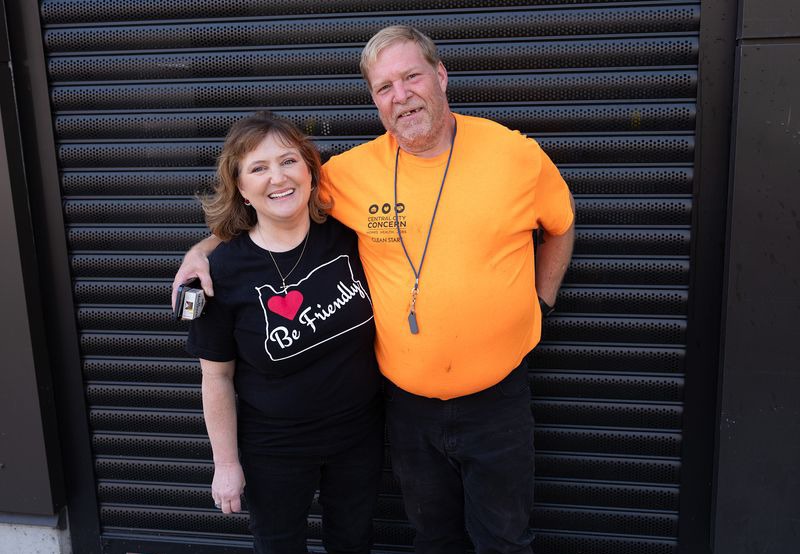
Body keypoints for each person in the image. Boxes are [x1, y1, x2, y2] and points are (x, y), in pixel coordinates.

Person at [174, 26, 575, 554]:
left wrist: (540, 302)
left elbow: (560, 226)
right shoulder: (349, 174)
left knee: (504, 539)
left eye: (411, 77)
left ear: (441, 75)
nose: (401, 95)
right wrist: (201, 252)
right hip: (406, 409)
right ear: (374, 101)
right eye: (384, 87)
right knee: (434, 538)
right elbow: (275, 203)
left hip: (496, 400)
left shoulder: (515, 156)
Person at [184, 112, 383, 554]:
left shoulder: (351, 237)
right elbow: (215, 377)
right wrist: (226, 463)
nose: (278, 177)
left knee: (354, 542)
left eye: (288, 161)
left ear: (311, 171)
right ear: (240, 187)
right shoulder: (222, 272)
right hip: (274, 446)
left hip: (360, 435)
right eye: (258, 168)